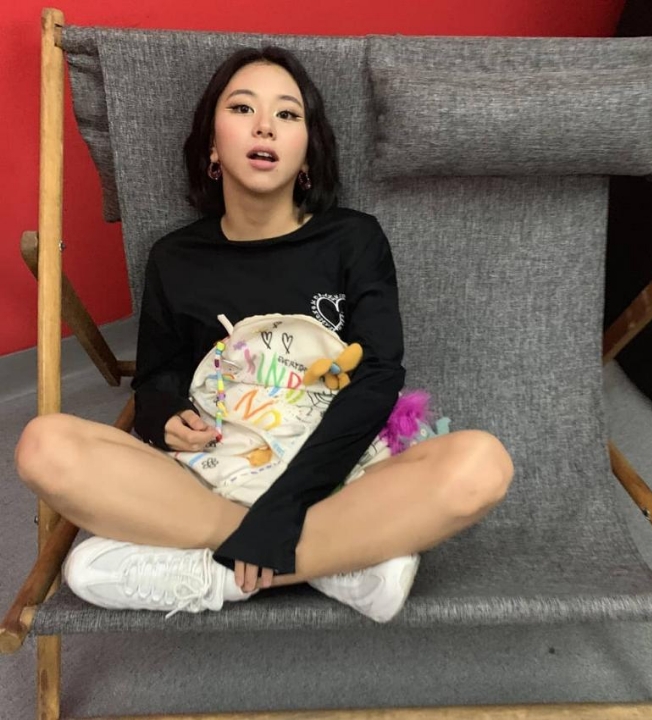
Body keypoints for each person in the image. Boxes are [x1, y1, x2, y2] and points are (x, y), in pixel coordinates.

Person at [14, 46, 514, 623]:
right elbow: (156, 378)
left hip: (337, 469)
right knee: (44, 446)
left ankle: (218, 572)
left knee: (482, 464)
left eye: (287, 114)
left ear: (307, 154)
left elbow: (379, 375)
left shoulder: (354, 239)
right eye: (242, 107)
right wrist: (165, 414)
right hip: (216, 472)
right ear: (212, 146)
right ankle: (335, 561)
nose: (264, 126)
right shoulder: (175, 258)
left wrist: (290, 501)